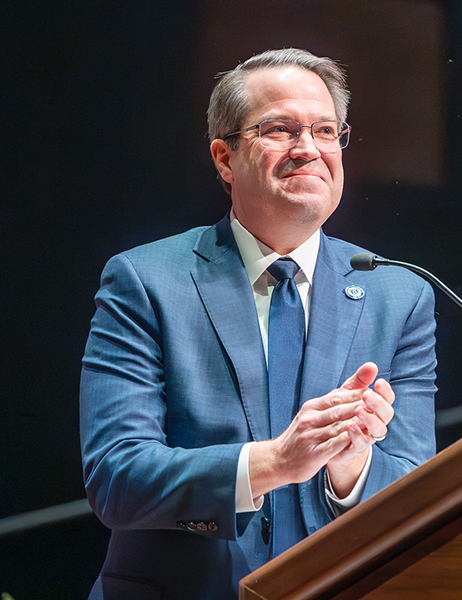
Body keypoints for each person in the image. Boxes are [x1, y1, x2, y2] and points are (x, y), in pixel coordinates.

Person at [80, 48, 437, 599]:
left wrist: (352, 466)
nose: (309, 149)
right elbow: (116, 478)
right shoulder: (146, 281)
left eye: (325, 130)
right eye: (280, 129)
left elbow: (422, 495)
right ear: (224, 158)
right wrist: (274, 463)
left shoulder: (399, 294)